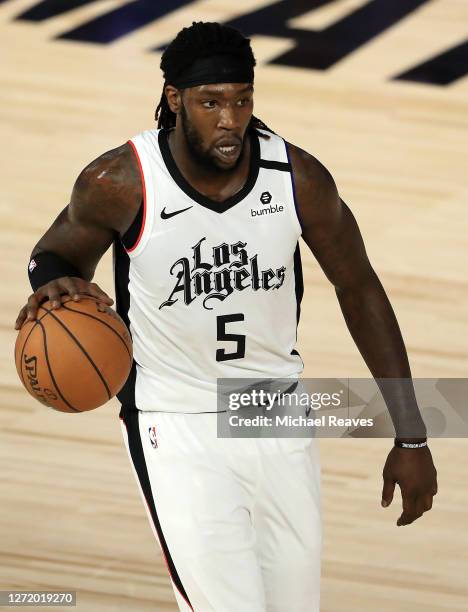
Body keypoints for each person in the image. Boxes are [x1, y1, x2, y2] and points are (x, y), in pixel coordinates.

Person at [15, 21, 437, 612]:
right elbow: (55, 253)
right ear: (175, 100)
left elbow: (360, 289)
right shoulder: (122, 181)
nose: (230, 120)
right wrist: (50, 282)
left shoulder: (298, 179)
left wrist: (411, 436)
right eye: (211, 102)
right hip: (174, 419)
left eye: (242, 100)